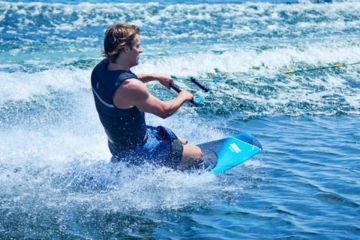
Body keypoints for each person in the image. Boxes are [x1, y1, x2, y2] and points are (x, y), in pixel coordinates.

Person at [91, 23, 203, 169]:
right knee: (197, 155)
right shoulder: (131, 87)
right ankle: (141, 165)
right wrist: (183, 96)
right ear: (125, 49)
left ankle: (122, 160)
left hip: (117, 145)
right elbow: (164, 111)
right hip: (140, 150)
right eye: (137, 46)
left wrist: (154, 77)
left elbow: (123, 83)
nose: (141, 50)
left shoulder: (100, 70)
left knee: (182, 141)